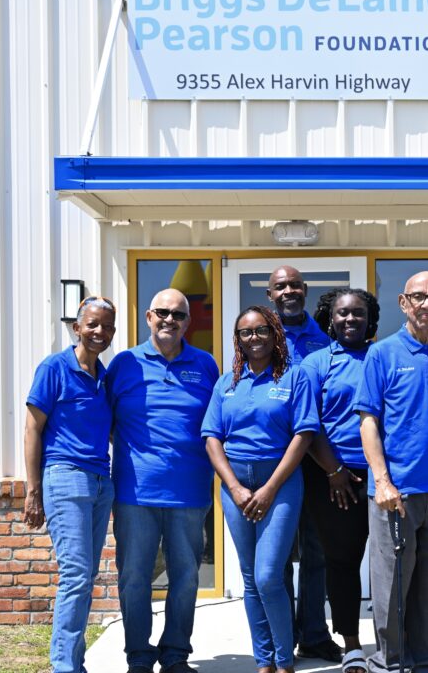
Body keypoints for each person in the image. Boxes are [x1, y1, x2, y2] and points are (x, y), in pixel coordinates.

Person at [353, 270, 428, 673]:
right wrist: (382, 482)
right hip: (395, 494)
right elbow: (368, 422)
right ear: (403, 303)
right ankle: (390, 663)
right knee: (391, 589)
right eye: (418, 296)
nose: (426, 304)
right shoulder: (382, 354)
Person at [106, 288, 219, 673]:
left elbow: (218, 425)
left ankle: (174, 655)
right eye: (163, 313)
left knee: (186, 578)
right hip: (134, 492)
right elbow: (106, 421)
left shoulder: (205, 366)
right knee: (134, 577)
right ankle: (139, 655)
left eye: (179, 315)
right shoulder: (124, 365)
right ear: (149, 318)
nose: (170, 320)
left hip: (190, 493)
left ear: (188, 322)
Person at [202, 306, 319, 673]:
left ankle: (285, 661)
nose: (254, 338)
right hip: (235, 488)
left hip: (279, 484)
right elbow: (211, 437)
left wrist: (269, 488)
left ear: (275, 334)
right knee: (251, 578)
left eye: (261, 331)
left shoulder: (294, 377)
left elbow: (304, 435)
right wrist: (234, 487)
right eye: (246, 333)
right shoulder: (227, 382)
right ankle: (263, 660)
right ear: (237, 340)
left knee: (269, 574)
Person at [24, 296, 117, 673]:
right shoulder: (54, 368)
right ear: (77, 327)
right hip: (65, 477)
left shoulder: (105, 375)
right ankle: (65, 666)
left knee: (85, 575)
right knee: (76, 575)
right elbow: (33, 428)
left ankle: (73, 663)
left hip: (100, 481)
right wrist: (33, 490)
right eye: (92, 324)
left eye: (107, 327)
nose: (99, 332)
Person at [301, 288, 380, 673]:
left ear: (370, 319)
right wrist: (333, 472)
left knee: (389, 563)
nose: (350, 320)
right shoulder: (315, 364)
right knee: (342, 562)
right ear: (329, 319)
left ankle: (391, 641)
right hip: (332, 478)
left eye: (358, 314)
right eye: (342, 314)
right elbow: (308, 425)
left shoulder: (384, 357)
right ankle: (351, 643)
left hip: (383, 476)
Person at [266, 265, 339, 663]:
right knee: (277, 555)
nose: (289, 291)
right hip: (273, 460)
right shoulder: (261, 338)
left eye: (294, 285)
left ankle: (314, 632)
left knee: (317, 550)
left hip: (316, 458)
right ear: (270, 294)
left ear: (305, 290)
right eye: (281, 286)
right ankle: (283, 635)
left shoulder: (324, 339)